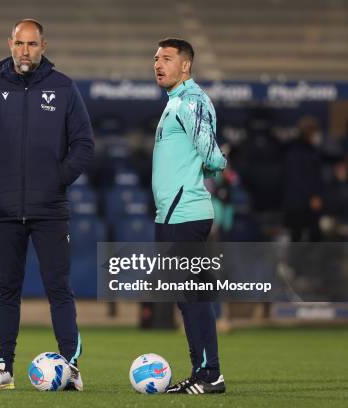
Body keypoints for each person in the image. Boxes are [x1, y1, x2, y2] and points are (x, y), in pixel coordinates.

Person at [0, 18, 94, 391]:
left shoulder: (64, 88)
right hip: (4, 212)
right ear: (10, 44)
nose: (25, 51)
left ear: (43, 46)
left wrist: (57, 180)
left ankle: (70, 367)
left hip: (50, 209)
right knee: (7, 291)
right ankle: (3, 367)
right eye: (20, 44)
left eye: (32, 45)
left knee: (59, 290)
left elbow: (83, 144)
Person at [152, 38, 227, 394]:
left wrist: (200, 176)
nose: (158, 64)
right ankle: (202, 373)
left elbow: (214, 156)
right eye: (156, 58)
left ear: (185, 65)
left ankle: (210, 374)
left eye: (166, 58)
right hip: (170, 216)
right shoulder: (174, 103)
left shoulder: (189, 101)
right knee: (187, 298)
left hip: (185, 214)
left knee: (193, 297)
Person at [282, 116, 323, 242]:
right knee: (297, 236)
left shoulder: (311, 150)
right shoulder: (295, 151)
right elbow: (298, 178)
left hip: (305, 202)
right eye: (316, 132)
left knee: (313, 236)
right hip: (298, 203)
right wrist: (313, 196)